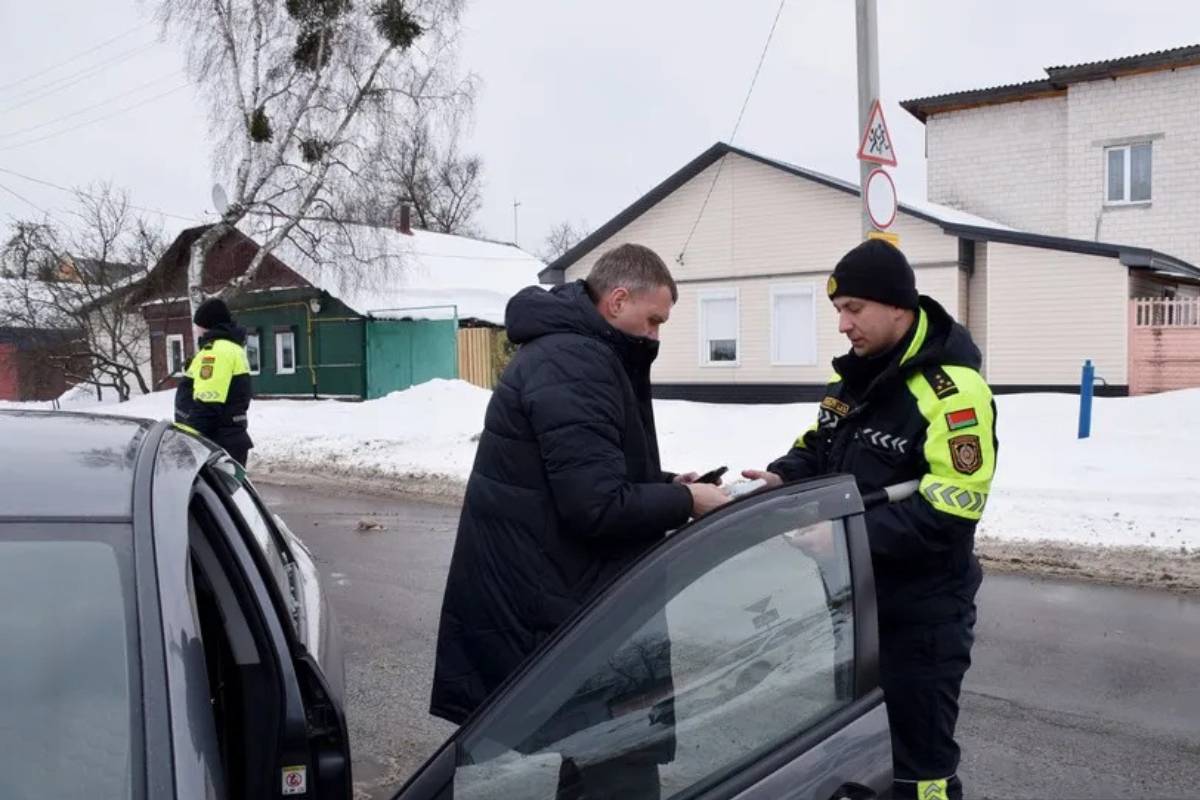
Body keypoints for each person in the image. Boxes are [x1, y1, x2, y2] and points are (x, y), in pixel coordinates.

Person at [430, 243, 728, 797]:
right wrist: (689, 504)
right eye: (654, 319)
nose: (657, 335)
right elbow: (594, 505)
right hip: (566, 604)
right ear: (617, 300)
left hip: (560, 590)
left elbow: (585, 472)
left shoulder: (578, 353)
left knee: (604, 757)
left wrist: (665, 487)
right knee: (619, 761)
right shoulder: (576, 362)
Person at [744, 239, 997, 800]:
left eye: (854, 309)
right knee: (860, 753)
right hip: (855, 607)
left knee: (920, 768)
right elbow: (817, 446)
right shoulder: (853, 380)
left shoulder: (954, 393)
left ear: (898, 308)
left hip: (921, 619)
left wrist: (845, 543)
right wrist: (782, 478)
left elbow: (950, 513)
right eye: (838, 311)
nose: (843, 325)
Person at [174, 297, 254, 466]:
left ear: (207, 325)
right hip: (229, 438)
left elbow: (207, 404)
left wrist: (187, 441)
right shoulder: (232, 348)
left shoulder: (216, 352)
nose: (196, 331)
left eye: (198, 326)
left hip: (214, 444)